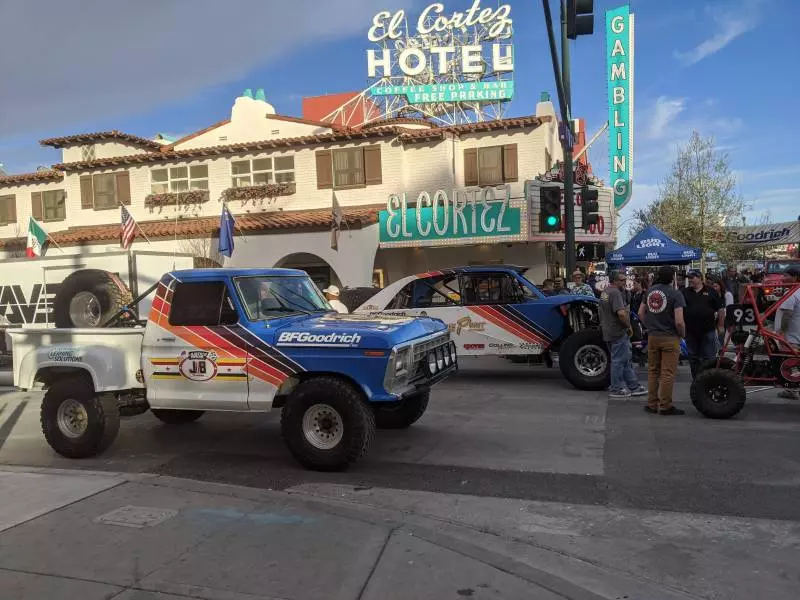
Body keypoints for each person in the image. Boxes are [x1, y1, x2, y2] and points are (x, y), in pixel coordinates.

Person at [639, 265, 687, 415]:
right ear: (672, 277)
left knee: (653, 371)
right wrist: (682, 334)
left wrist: (649, 326)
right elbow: (679, 321)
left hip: (653, 336)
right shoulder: (675, 294)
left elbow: (641, 312)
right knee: (667, 373)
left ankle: (652, 404)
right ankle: (665, 405)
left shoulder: (650, 291)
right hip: (670, 337)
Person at [599, 271, 646, 398]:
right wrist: (628, 326)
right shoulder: (615, 293)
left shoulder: (605, 292)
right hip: (618, 331)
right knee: (619, 361)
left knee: (624, 360)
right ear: (614, 281)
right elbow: (621, 313)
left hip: (608, 330)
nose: (624, 282)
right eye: (621, 280)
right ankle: (616, 388)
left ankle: (633, 386)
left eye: (625, 279)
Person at [681, 270, 725, 379]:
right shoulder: (684, 292)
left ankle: (708, 380)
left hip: (708, 330)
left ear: (700, 278)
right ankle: (696, 380)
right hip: (690, 332)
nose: (690, 280)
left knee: (709, 358)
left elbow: (720, 309)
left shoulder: (711, 291)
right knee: (693, 358)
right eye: (689, 278)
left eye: (692, 278)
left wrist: (720, 325)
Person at [775, 266, 800, 399]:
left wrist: (782, 333)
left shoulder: (792, 293)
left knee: (791, 362)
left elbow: (787, 315)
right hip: (796, 334)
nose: (783, 278)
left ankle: (792, 390)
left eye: (786, 275)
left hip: (792, 336)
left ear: (795, 277)